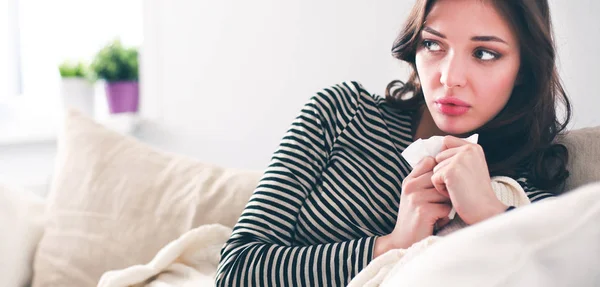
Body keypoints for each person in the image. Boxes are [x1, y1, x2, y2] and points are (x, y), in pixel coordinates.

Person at [216, 0, 572, 286]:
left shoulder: (527, 179)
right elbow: (236, 271)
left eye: (483, 53)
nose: (450, 78)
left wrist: (488, 212)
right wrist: (391, 244)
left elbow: (565, 272)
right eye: (433, 44)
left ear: (525, 67)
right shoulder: (342, 114)